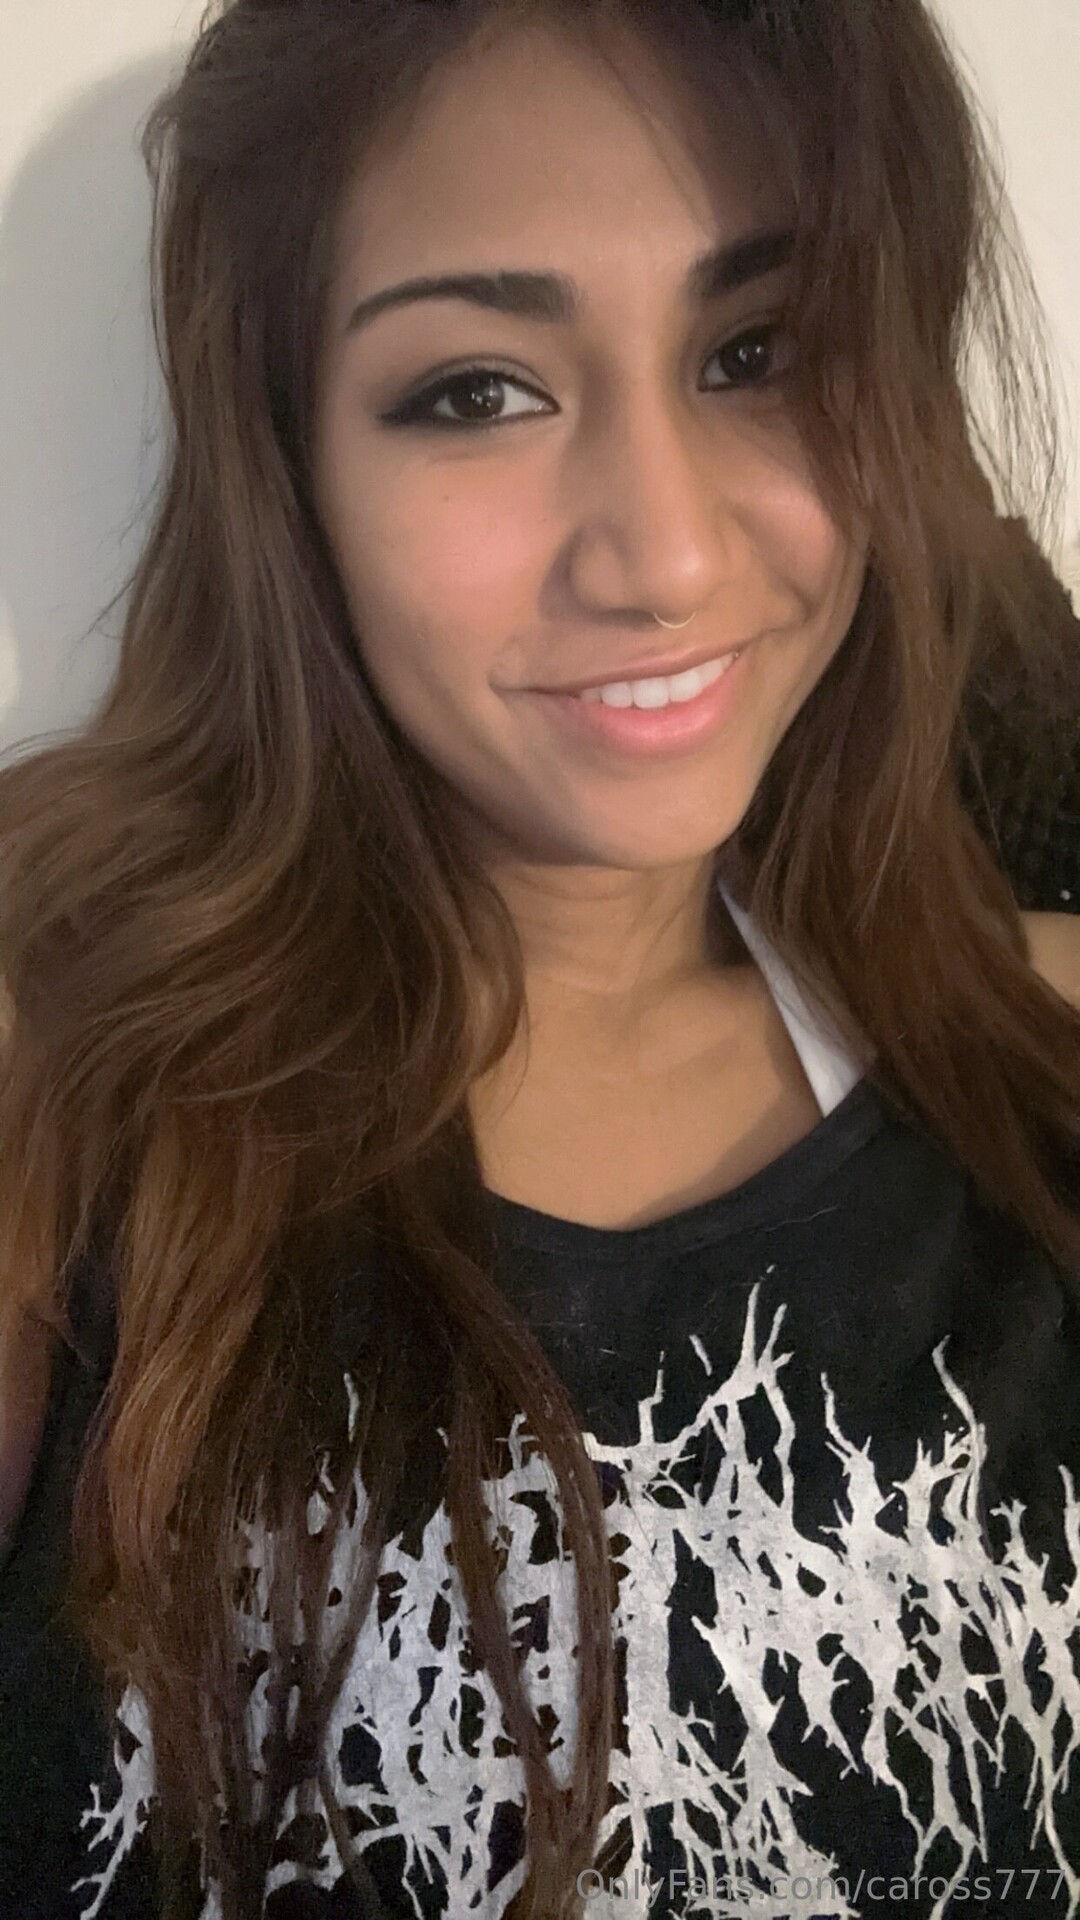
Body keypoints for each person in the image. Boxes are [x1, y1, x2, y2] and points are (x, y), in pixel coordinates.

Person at [0, 1, 1078, 1916]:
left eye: (758, 351)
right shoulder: (52, 1070)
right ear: (287, 460)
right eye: (479, 389)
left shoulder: (1033, 1059)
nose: (663, 555)